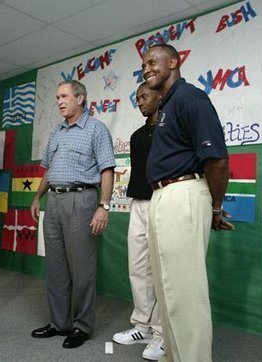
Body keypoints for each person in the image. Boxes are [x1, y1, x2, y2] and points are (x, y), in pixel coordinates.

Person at [142, 44, 234, 362]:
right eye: (143, 64)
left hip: (182, 193)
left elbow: (217, 161)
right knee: (168, 292)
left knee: (185, 293)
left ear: (174, 62)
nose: (147, 68)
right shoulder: (166, 105)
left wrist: (216, 209)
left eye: (153, 62)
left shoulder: (190, 97)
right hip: (162, 196)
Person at [30, 80, 115, 349]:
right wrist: (37, 196)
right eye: (57, 97)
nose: (59, 101)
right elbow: (49, 169)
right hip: (53, 202)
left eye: (64, 96)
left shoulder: (96, 129)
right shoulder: (56, 131)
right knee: (55, 268)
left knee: (82, 270)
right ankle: (59, 323)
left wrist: (104, 206)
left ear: (80, 98)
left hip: (82, 200)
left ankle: (82, 326)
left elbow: (107, 170)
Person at [112, 83, 164, 361]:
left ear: (160, 96)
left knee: (161, 270)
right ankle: (142, 327)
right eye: (137, 98)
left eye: (144, 96)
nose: (140, 102)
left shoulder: (171, 129)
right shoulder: (136, 135)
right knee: (138, 268)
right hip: (139, 203)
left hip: (164, 200)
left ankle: (161, 332)